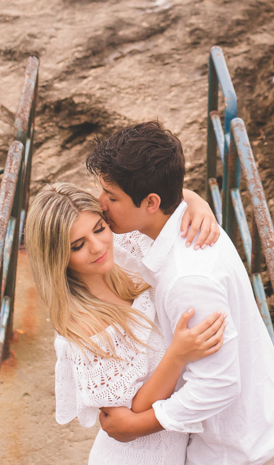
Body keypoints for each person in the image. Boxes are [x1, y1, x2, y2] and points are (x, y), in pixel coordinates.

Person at [87, 121, 274, 465]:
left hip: (235, 449)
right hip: (246, 421)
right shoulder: (182, 220)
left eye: (112, 196)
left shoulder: (189, 280)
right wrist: (192, 196)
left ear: (152, 202)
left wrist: (136, 425)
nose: (101, 203)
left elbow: (219, 383)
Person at [27, 182, 226, 464]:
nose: (97, 247)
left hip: (181, 448)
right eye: (78, 246)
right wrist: (178, 355)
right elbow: (126, 420)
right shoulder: (84, 326)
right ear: (58, 257)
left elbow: (152, 199)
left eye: (98, 228)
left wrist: (197, 204)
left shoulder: (122, 248)